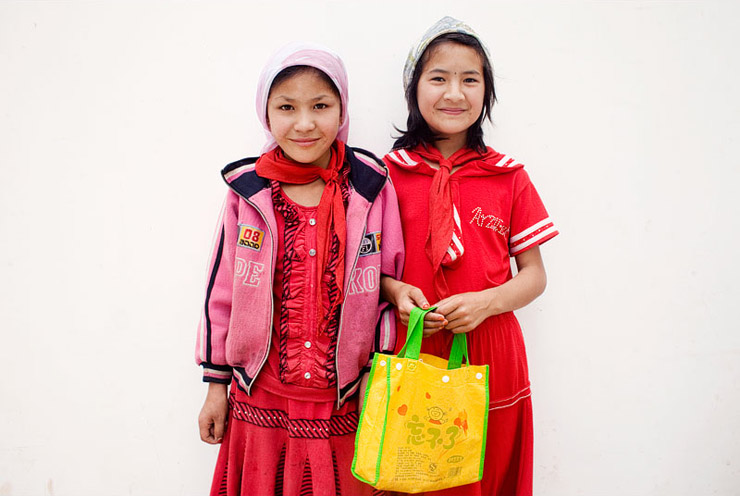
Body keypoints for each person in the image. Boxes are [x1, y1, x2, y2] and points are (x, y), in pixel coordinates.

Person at [195, 42, 403, 496]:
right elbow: (222, 292)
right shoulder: (247, 192)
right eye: (287, 106)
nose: (304, 123)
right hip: (260, 397)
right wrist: (216, 386)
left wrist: (379, 377)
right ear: (266, 114)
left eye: (321, 106)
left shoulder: (371, 188)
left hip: (347, 402)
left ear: (342, 109)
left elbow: (391, 288)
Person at [379, 17, 559, 496]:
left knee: (485, 475)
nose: (454, 93)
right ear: (413, 87)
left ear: (487, 91)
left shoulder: (509, 177)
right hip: (411, 347)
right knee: (406, 474)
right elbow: (365, 270)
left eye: (470, 79)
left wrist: (485, 302)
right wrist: (396, 292)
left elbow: (535, 276)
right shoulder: (385, 176)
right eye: (438, 78)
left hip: (491, 352)